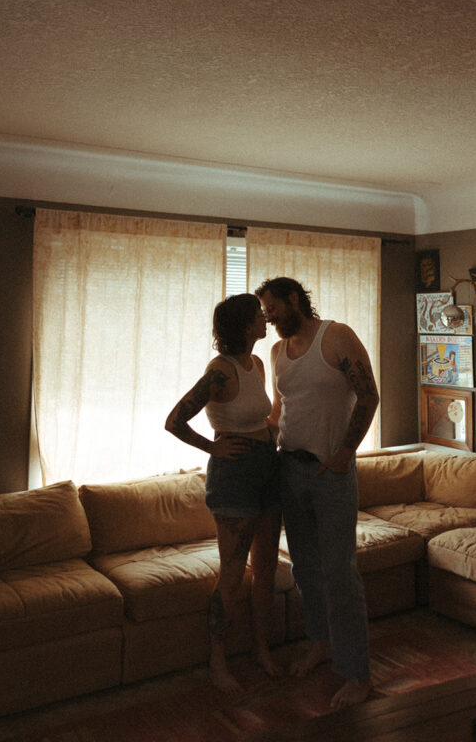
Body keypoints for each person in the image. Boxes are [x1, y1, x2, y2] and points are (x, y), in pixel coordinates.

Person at [255, 276, 380, 711]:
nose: (269, 320)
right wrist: (251, 440)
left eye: (273, 311)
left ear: (294, 300)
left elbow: (369, 395)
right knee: (306, 568)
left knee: (340, 573)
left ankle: (357, 673)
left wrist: (346, 453)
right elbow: (279, 410)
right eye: (265, 315)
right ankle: (321, 644)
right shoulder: (276, 353)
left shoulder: (336, 336)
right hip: (289, 467)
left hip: (331, 472)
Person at [164, 293, 281, 696]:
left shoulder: (257, 364)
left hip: (267, 466)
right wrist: (211, 447)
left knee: (266, 567)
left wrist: (271, 432)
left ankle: (261, 649)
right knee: (232, 572)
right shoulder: (220, 371)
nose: (265, 318)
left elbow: (257, 413)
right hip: (234, 474)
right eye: (258, 315)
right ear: (245, 326)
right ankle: (218, 660)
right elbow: (174, 420)